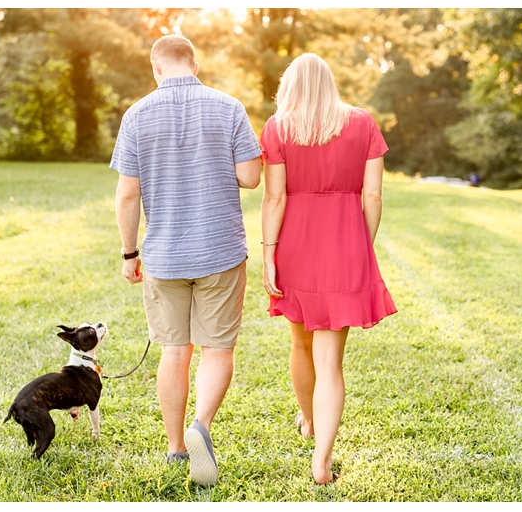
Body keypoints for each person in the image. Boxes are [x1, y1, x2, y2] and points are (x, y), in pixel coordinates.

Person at [111, 34, 262, 486]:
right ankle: (203, 427)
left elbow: (127, 193)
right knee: (217, 348)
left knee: (175, 351)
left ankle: (177, 447)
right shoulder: (229, 106)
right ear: (194, 64)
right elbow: (251, 178)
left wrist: (129, 253)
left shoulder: (136, 115)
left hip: (164, 254)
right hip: (220, 250)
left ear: (156, 68)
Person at [259, 53, 398, 484]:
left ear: (291, 85)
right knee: (330, 361)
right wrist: (361, 242)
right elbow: (373, 197)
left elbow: (275, 199)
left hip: (294, 248)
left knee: (300, 347)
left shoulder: (278, 127)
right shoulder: (362, 123)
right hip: (344, 247)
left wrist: (268, 253)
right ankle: (322, 458)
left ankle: (310, 420)